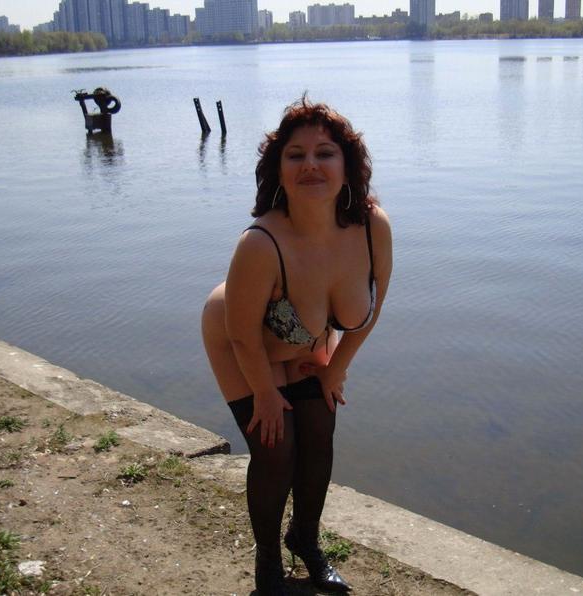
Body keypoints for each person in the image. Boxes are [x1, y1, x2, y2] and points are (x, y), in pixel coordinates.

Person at [202, 96, 392, 596]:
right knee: (275, 448)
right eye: (295, 155)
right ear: (279, 171)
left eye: (325, 153)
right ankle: (268, 563)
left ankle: (305, 539)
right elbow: (243, 334)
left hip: (308, 339)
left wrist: (336, 369)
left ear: (347, 167)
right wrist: (265, 393)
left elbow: (371, 309)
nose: (311, 164)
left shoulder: (372, 228)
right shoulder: (260, 243)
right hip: (242, 339)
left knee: (320, 431)